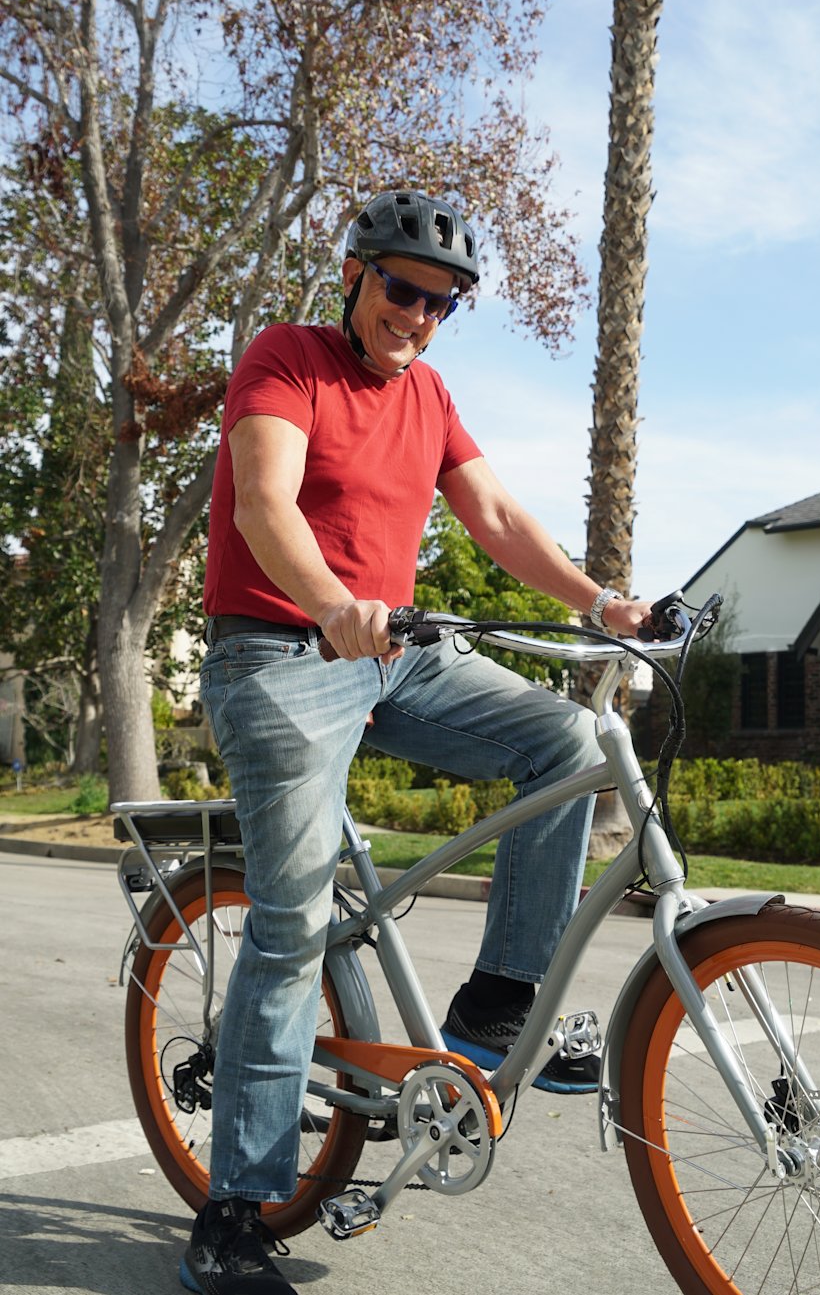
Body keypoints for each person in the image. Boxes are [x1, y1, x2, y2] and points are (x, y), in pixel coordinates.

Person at [183, 189, 653, 1295]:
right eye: (403, 290)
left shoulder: (430, 393)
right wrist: (330, 603)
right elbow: (264, 504)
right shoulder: (286, 359)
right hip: (280, 653)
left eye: (442, 303)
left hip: (395, 653)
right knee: (293, 923)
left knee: (568, 742)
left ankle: (496, 1002)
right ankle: (236, 1208)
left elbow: (496, 517)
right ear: (355, 275)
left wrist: (602, 603)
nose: (420, 315)